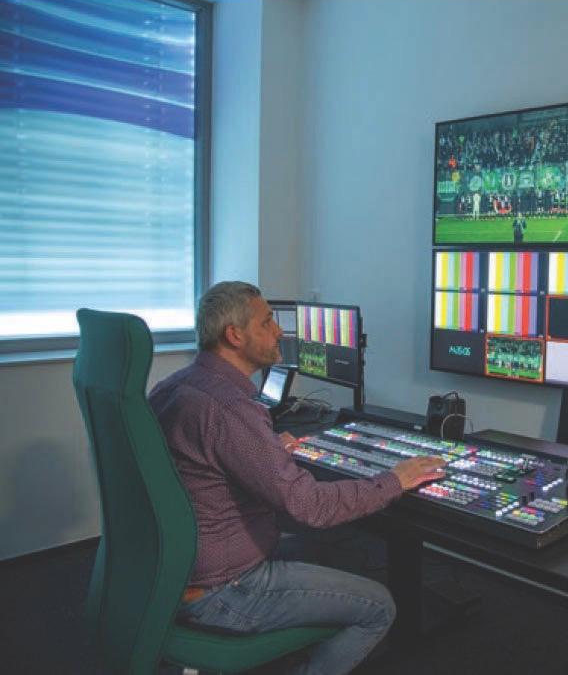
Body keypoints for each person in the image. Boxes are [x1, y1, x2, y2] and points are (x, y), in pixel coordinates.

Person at [149, 282, 446, 675]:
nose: (280, 331)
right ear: (235, 335)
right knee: (378, 606)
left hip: (174, 570)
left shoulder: (174, 387)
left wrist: (265, 450)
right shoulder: (230, 408)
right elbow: (310, 508)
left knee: (324, 552)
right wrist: (394, 479)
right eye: (267, 321)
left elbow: (206, 463)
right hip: (225, 589)